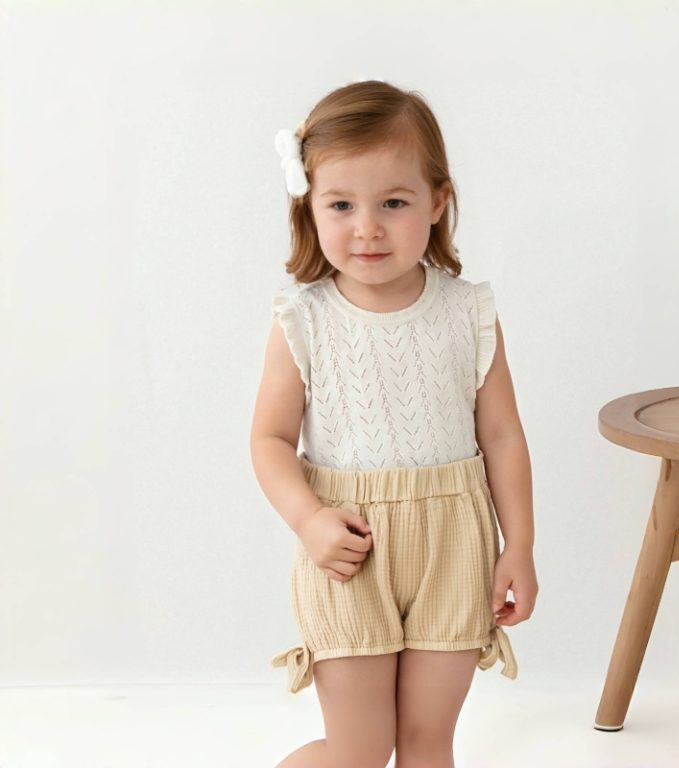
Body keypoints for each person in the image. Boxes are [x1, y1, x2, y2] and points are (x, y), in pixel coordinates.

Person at [250, 80, 537, 768]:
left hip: (455, 547)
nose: (367, 227)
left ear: (437, 202)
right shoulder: (303, 319)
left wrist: (520, 545)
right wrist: (309, 521)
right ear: (309, 206)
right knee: (359, 750)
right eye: (341, 205)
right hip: (349, 550)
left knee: (427, 743)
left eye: (394, 203)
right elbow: (269, 440)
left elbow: (502, 436)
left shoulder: (468, 312)